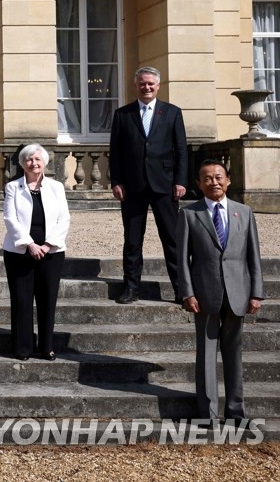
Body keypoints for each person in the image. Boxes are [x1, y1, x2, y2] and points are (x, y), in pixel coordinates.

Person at [177, 160, 263, 424]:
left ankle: (236, 411)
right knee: (206, 356)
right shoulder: (190, 214)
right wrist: (187, 293)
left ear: (228, 180)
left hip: (238, 292)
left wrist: (256, 292)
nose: (213, 182)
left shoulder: (244, 212)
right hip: (204, 294)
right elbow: (182, 259)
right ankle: (208, 414)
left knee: (234, 355)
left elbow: (254, 256)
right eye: (207, 178)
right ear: (199, 184)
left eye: (218, 177)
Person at [109, 66, 188, 304]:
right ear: (136, 85)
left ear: (158, 85)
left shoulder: (172, 112)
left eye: (150, 83)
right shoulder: (123, 114)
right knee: (133, 240)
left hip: (165, 185)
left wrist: (181, 181)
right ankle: (131, 287)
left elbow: (181, 150)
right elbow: (115, 152)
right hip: (132, 186)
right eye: (142, 83)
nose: (146, 87)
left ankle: (180, 289)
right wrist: (116, 181)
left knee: (172, 240)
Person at [1, 144, 70, 361]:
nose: (34, 163)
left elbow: (64, 218)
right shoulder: (13, 187)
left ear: (45, 162)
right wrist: (29, 244)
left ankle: (46, 347)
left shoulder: (56, 187)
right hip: (19, 251)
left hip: (52, 252)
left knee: (47, 299)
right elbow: (10, 219)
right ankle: (22, 347)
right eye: (29, 160)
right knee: (21, 300)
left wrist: (48, 245)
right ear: (22, 164)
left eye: (38, 159)